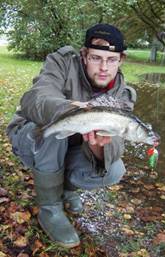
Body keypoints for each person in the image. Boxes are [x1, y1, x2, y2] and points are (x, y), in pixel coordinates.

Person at [6, 23, 137, 248]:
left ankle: (66, 190)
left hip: (71, 147)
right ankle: (50, 209)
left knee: (114, 169)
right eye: (96, 58)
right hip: (32, 137)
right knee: (55, 129)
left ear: (121, 60)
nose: (104, 67)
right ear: (84, 55)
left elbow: (114, 148)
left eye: (111, 60)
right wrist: (71, 112)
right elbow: (35, 98)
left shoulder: (123, 95)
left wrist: (99, 146)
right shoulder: (62, 61)